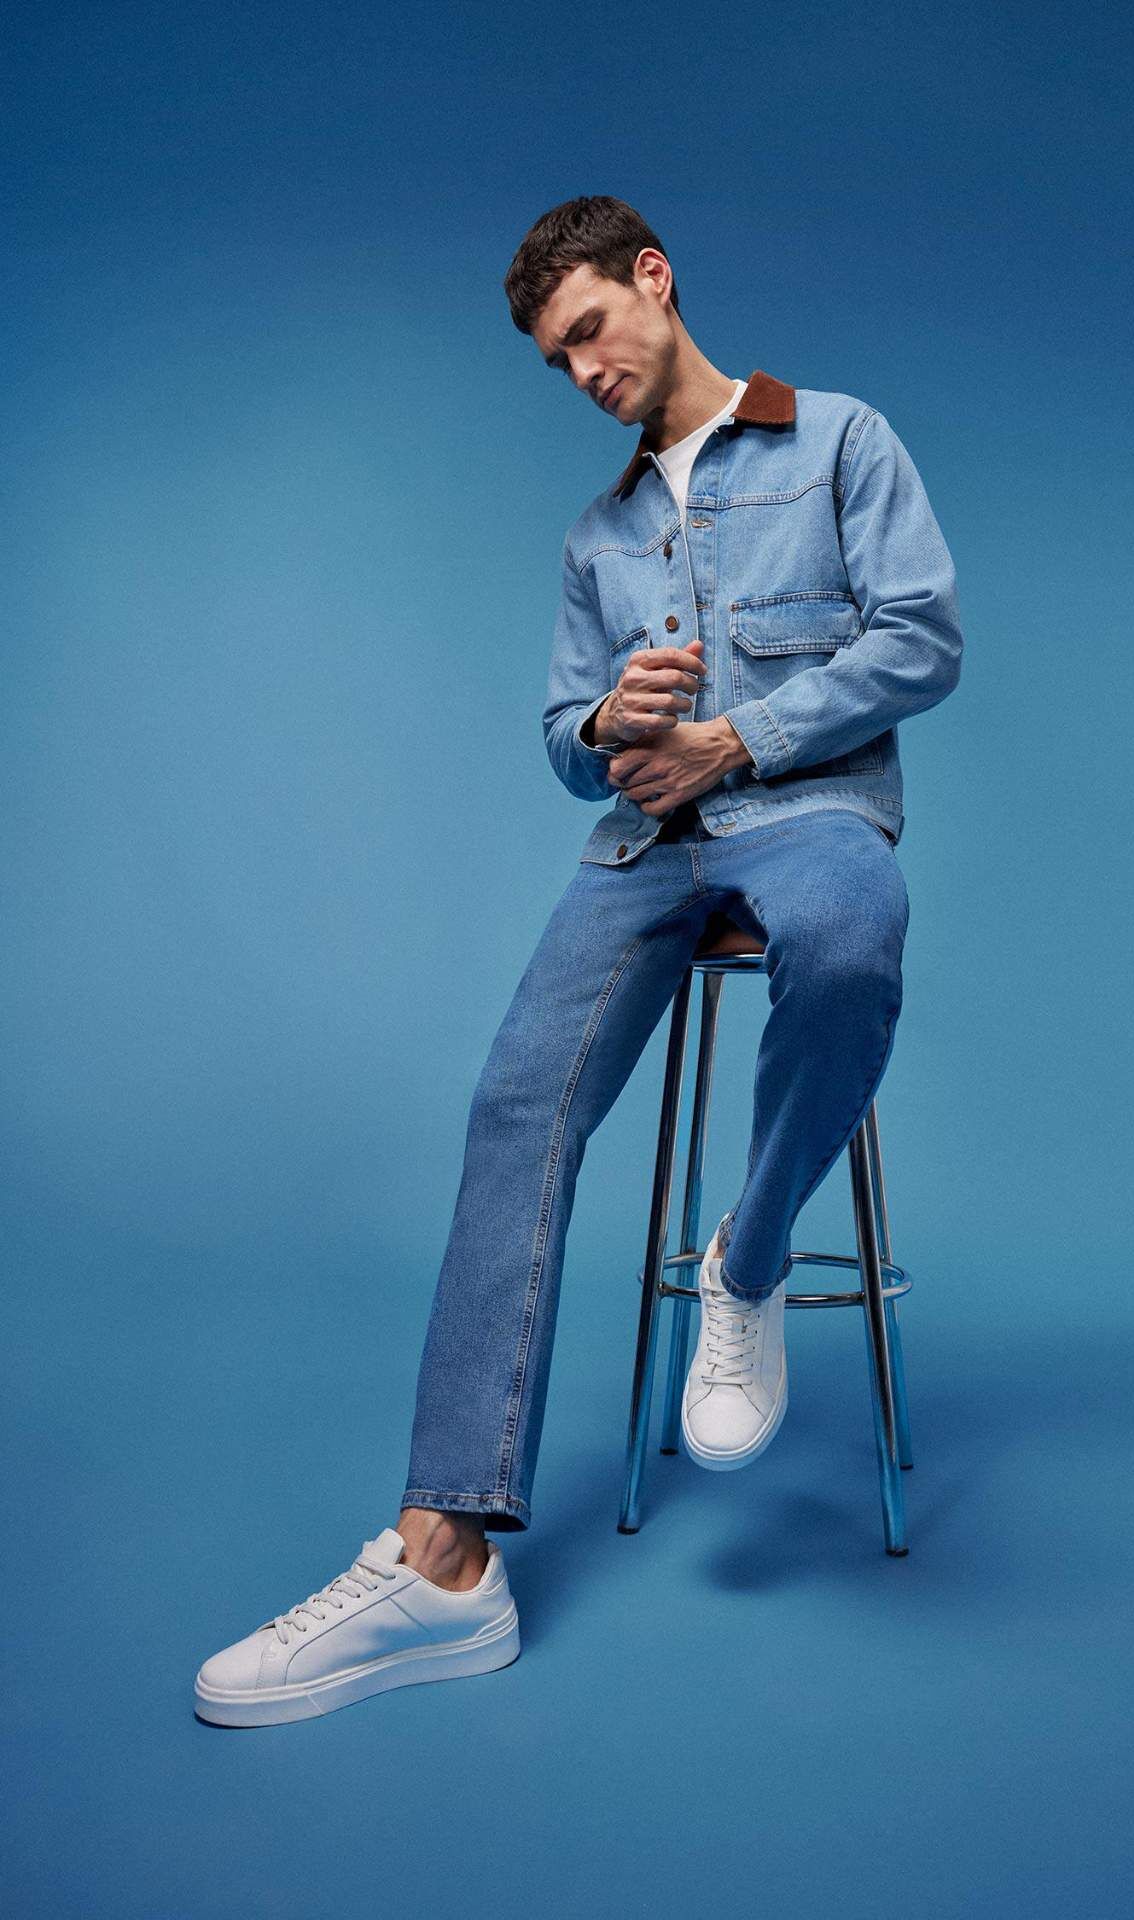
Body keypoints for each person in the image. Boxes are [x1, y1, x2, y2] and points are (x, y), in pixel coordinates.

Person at [193, 195, 963, 1727]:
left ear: (653, 282)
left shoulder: (839, 441)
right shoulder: (596, 539)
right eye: (558, 361)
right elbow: (564, 741)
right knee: (513, 1108)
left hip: (807, 817)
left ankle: (745, 1263)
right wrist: (610, 721)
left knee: (852, 935)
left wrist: (738, 733)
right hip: (643, 854)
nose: (584, 373)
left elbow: (922, 637)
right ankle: (444, 1557)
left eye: (591, 332)